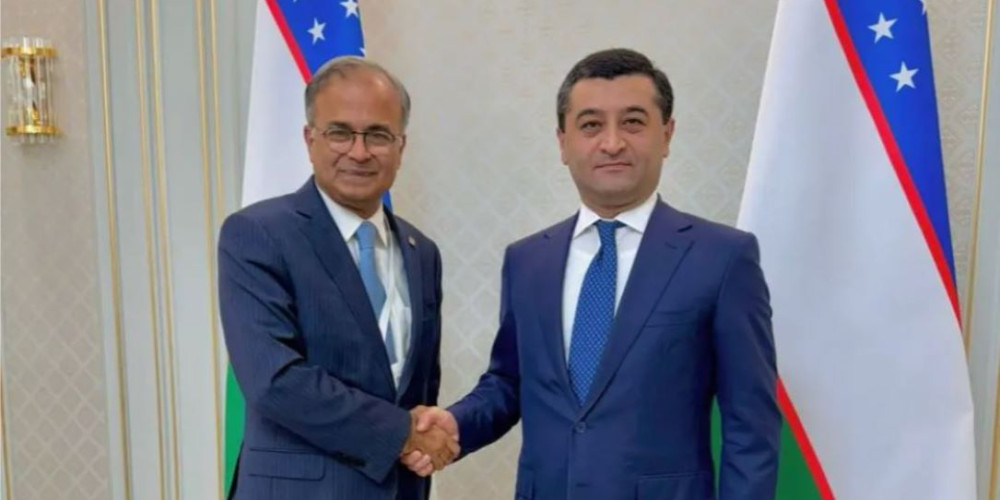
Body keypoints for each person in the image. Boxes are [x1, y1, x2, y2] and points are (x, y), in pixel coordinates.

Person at [406, 48, 780, 499]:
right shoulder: (527, 261)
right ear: (563, 142)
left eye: (633, 122)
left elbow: (750, 427)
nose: (612, 143)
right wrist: (456, 423)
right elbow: (510, 383)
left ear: (667, 134)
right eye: (590, 125)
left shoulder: (722, 258)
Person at [219, 56, 457, 500]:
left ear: (401, 147)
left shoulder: (421, 252)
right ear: (310, 139)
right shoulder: (258, 234)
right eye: (340, 133)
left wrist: (426, 436)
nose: (359, 152)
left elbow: (419, 390)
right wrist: (404, 433)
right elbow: (274, 380)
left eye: (378, 135)